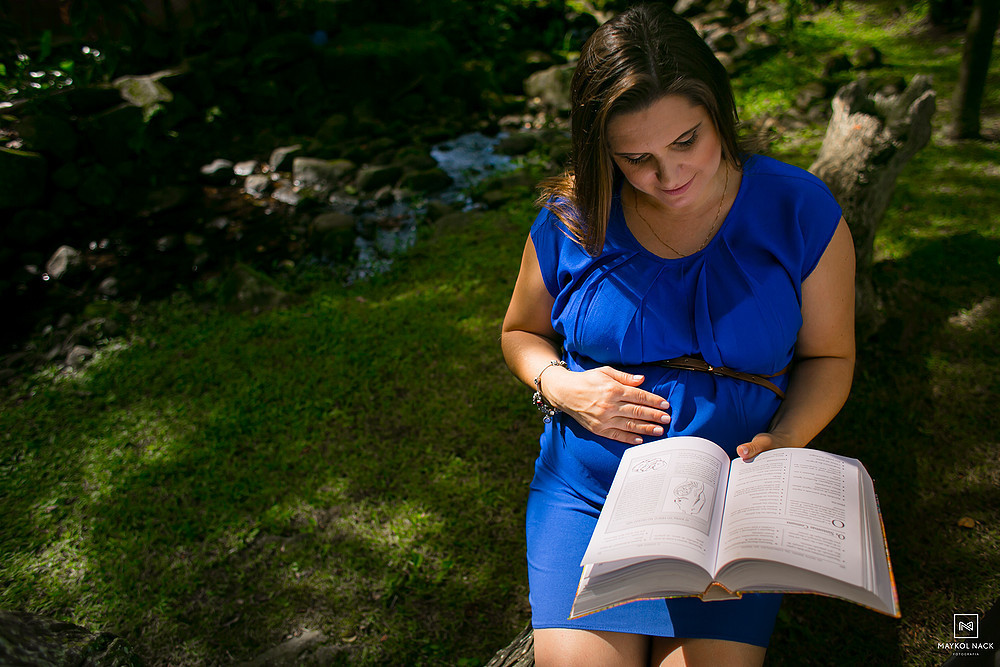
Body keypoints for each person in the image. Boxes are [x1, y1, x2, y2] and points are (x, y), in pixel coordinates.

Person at [499, 4, 856, 666]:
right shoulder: (573, 218)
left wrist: (785, 441)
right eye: (636, 159)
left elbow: (830, 356)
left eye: (686, 141)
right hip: (588, 494)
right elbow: (521, 331)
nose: (669, 178)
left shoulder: (798, 209)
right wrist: (563, 384)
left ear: (717, 110)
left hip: (731, 506)